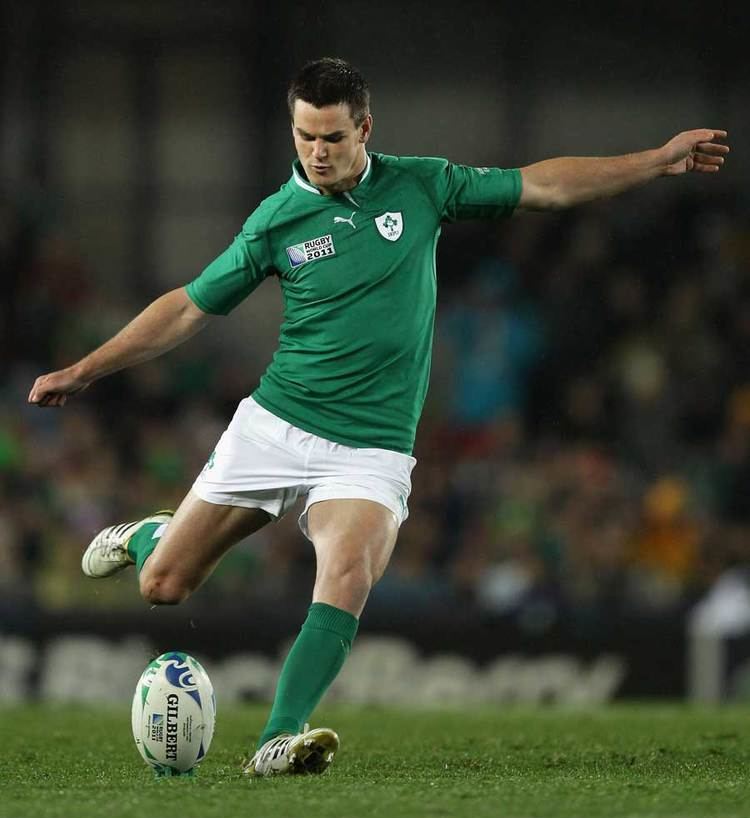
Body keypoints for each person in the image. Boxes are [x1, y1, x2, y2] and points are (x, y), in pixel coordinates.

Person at [28, 57, 729, 776]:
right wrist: (85, 370)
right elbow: (186, 310)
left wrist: (656, 160)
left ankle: (278, 737)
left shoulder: (422, 184)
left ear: (365, 128)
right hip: (276, 423)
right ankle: (153, 537)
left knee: (349, 569)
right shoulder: (276, 220)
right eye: (304, 136)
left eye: (332, 136)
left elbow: (543, 186)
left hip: (369, 447)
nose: (317, 152)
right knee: (165, 587)